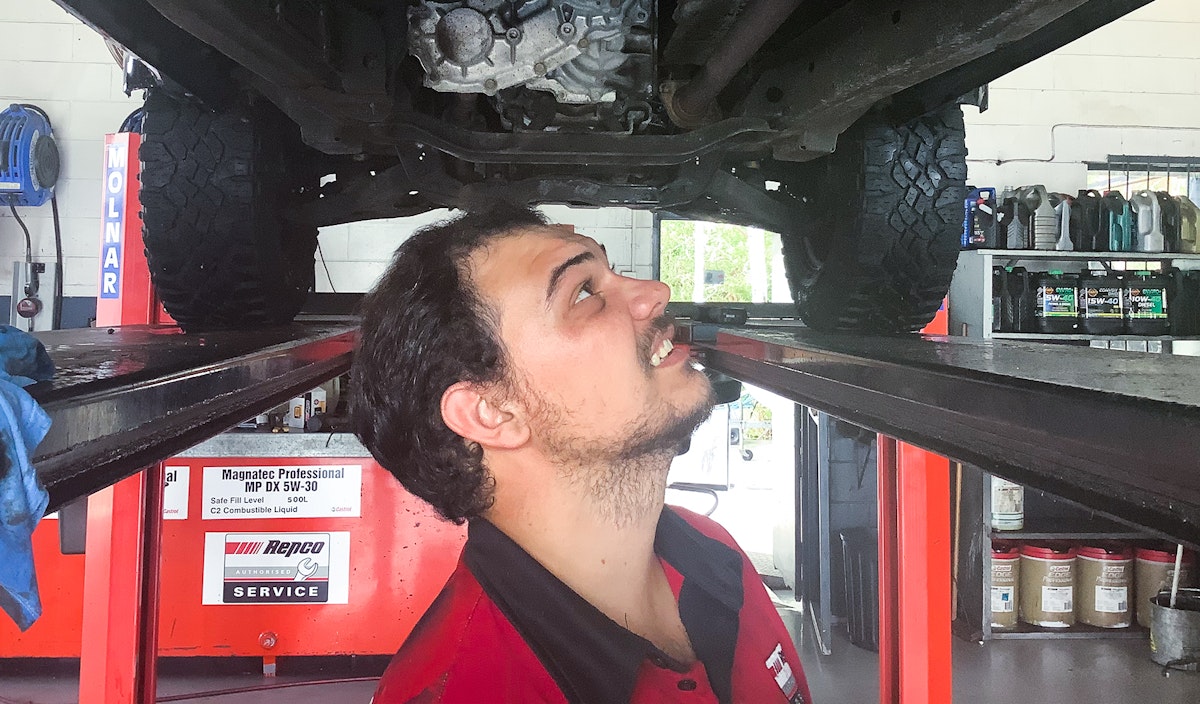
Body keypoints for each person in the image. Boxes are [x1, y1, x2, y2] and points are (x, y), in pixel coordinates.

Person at [351, 203, 811, 704]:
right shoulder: (464, 689)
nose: (656, 293)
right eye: (585, 293)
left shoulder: (714, 551)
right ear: (491, 412)